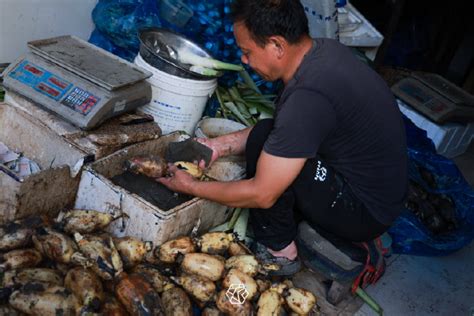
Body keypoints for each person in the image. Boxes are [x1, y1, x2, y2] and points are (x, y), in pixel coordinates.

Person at [158, 0, 408, 276]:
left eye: (247, 52)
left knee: (264, 144)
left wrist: (191, 186)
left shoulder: (307, 97)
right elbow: (286, 129)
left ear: (277, 45)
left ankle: (281, 252)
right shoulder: (323, 52)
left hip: (364, 210)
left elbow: (262, 194)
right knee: (268, 135)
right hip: (380, 190)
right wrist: (218, 146)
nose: (244, 60)